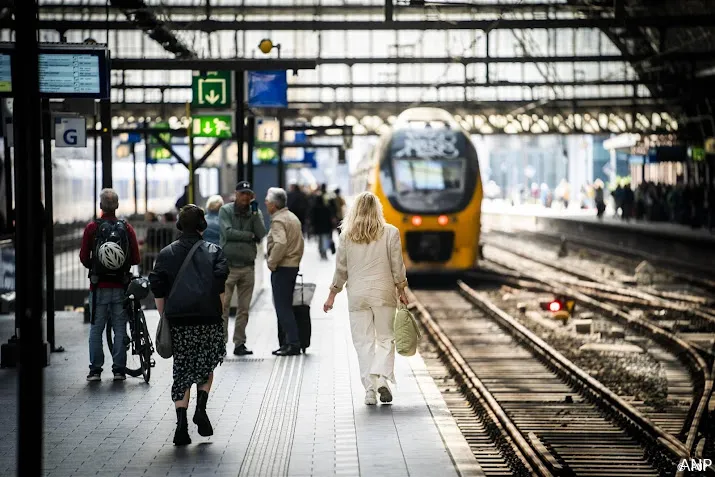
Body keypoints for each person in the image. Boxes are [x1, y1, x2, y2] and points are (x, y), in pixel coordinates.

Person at [148, 204, 229, 446]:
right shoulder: (215, 251)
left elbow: (158, 288)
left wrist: (165, 315)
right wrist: (219, 314)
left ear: (179, 226)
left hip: (179, 321)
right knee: (205, 365)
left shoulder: (166, 253)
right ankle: (201, 408)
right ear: (203, 225)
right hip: (207, 319)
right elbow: (220, 289)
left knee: (182, 369)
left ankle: (181, 425)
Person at [323, 191, 408, 406]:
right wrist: (402, 289)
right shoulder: (391, 232)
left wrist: (332, 295)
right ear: (377, 209)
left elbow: (341, 269)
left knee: (363, 343)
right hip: (383, 294)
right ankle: (381, 379)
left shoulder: (347, 235)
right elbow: (397, 266)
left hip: (358, 296)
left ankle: (370, 391)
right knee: (386, 339)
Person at [79, 188, 141, 381]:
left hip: (98, 288)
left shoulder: (92, 228)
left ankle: (95, 370)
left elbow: (83, 256)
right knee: (120, 328)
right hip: (121, 287)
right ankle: (119, 371)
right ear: (117, 206)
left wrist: (96, 268)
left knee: (96, 329)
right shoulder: (126, 227)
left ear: (100, 206)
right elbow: (136, 258)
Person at [219, 181, 267, 355]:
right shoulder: (226, 210)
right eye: (242, 193)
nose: (245, 197)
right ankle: (221, 343)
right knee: (223, 307)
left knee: (244, 309)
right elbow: (227, 233)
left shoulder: (255, 212)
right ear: (236, 194)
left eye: (248, 194)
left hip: (247, 267)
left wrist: (254, 215)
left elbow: (261, 234)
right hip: (228, 267)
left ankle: (239, 343)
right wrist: (249, 235)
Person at [265, 187, 305, 356]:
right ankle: (286, 343)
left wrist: (272, 262)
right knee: (286, 305)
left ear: (274, 204)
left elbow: (280, 243)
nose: (266, 203)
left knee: (282, 307)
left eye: (267, 201)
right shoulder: (293, 218)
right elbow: (301, 242)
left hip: (282, 267)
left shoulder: (278, 221)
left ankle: (293, 343)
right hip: (292, 266)